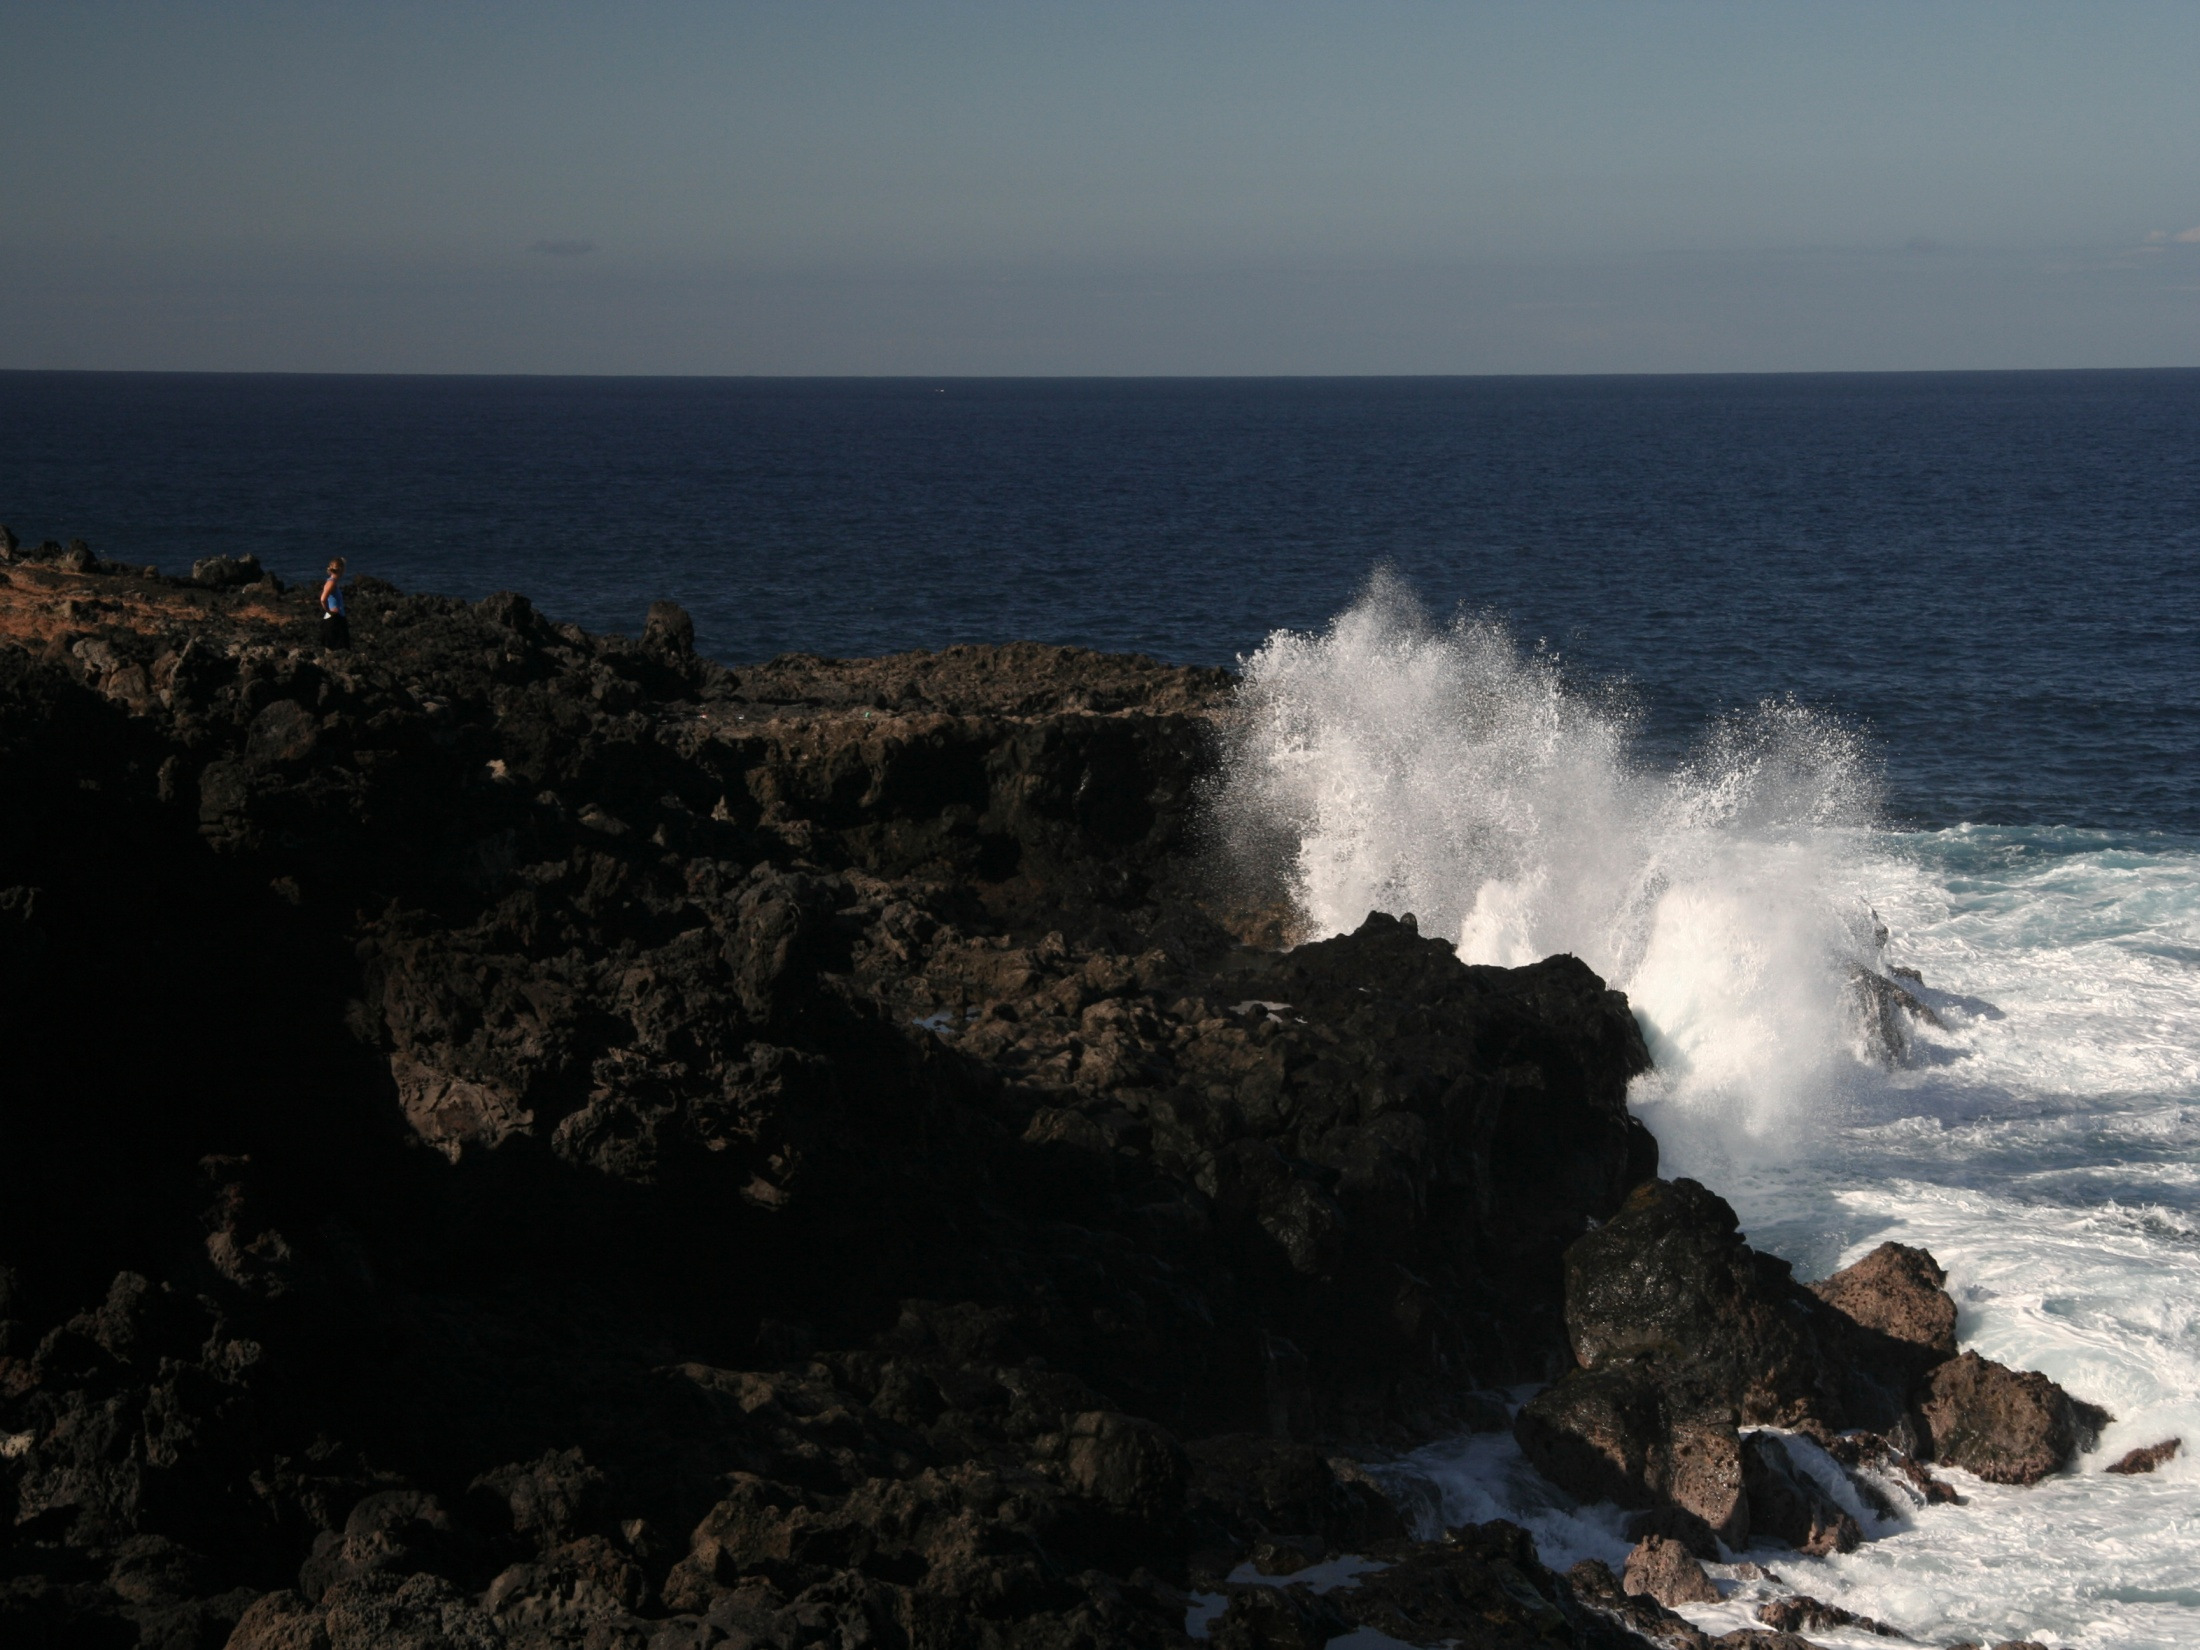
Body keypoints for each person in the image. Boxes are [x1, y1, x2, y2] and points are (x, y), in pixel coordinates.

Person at [319, 557, 351, 650]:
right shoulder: (331, 582)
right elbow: (322, 599)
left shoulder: (333, 582)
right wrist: (329, 611)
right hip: (334, 620)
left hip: (338, 618)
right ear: (341, 569)